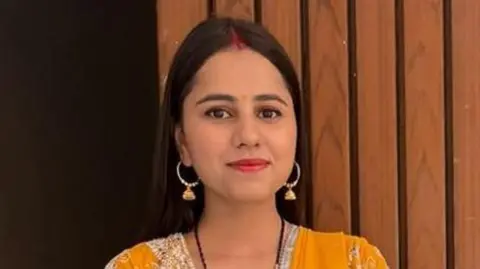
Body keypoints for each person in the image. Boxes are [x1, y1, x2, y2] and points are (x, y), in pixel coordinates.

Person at [106, 16, 389, 269]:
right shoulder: (135, 267)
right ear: (182, 142)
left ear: (295, 131)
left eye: (268, 112)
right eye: (219, 113)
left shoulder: (354, 262)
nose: (248, 136)